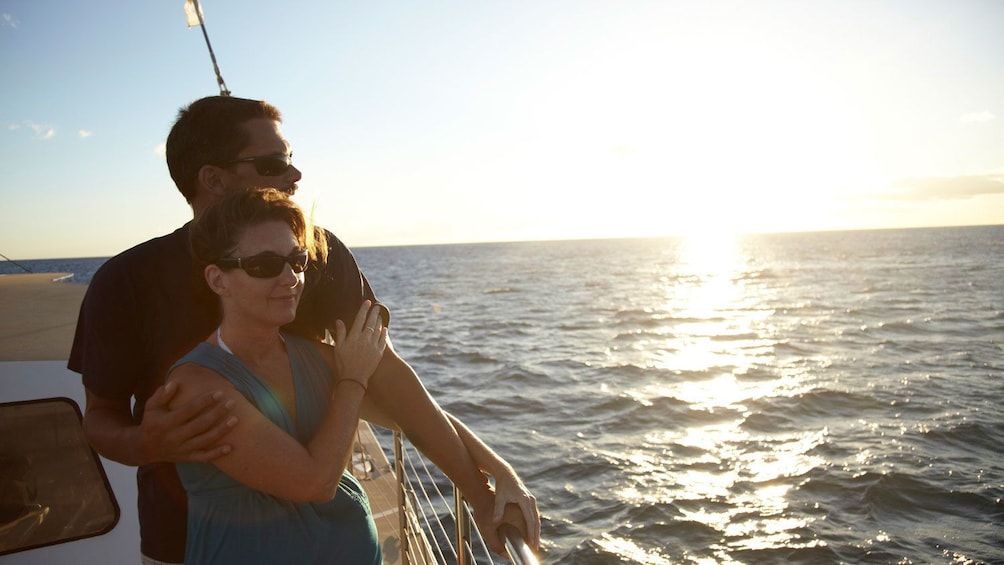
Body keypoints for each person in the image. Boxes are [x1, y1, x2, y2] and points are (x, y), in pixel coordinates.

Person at [69, 95, 539, 563]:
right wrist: (146, 443)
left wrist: (485, 488)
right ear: (213, 178)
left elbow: (389, 381)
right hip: (190, 543)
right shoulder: (126, 281)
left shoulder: (318, 253)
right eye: (273, 164)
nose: (294, 177)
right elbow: (101, 415)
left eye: (294, 262)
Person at [171, 187, 389, 563]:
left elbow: (406, 416)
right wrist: (352, 381)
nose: (290, 277)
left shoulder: (310, 356)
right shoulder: (198, 385)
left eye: (297, 260)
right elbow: (315, 482)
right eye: (265, 265)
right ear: (218, 280)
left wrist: (496, 476)